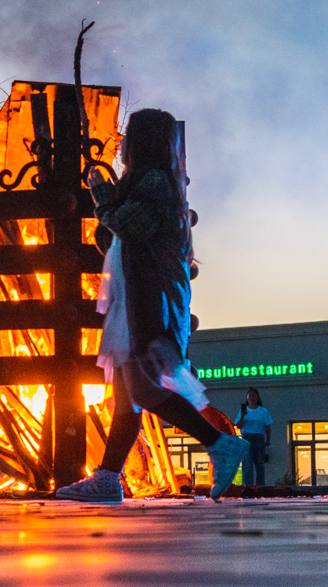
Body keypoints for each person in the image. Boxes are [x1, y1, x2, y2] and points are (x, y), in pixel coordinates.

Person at [51, 109, 247, 503]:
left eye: (127, 136)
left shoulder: (154, 181)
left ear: (141, 142)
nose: (121, 143)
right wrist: (108, 207)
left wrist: (103, 200)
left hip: (150, 296)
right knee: (127, 396)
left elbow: (128, 227)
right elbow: (115, 241)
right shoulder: (144, 183)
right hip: (135, 294)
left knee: (141, 388)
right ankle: (108, 478)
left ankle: (219, 443)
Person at [236, 387, 275, 486]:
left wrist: (268, 440)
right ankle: (248, 486)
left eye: (254, 396)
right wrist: (242, 416)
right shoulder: (243, 410)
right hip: (246, 437)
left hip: (259, 437)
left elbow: (267, 426)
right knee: (247, 463)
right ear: (247, 398)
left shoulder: (263, 411)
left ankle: (260, 486)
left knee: (259, 463)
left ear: (257, 398)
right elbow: (238, 425)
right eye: (250, 396)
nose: (252, 398)